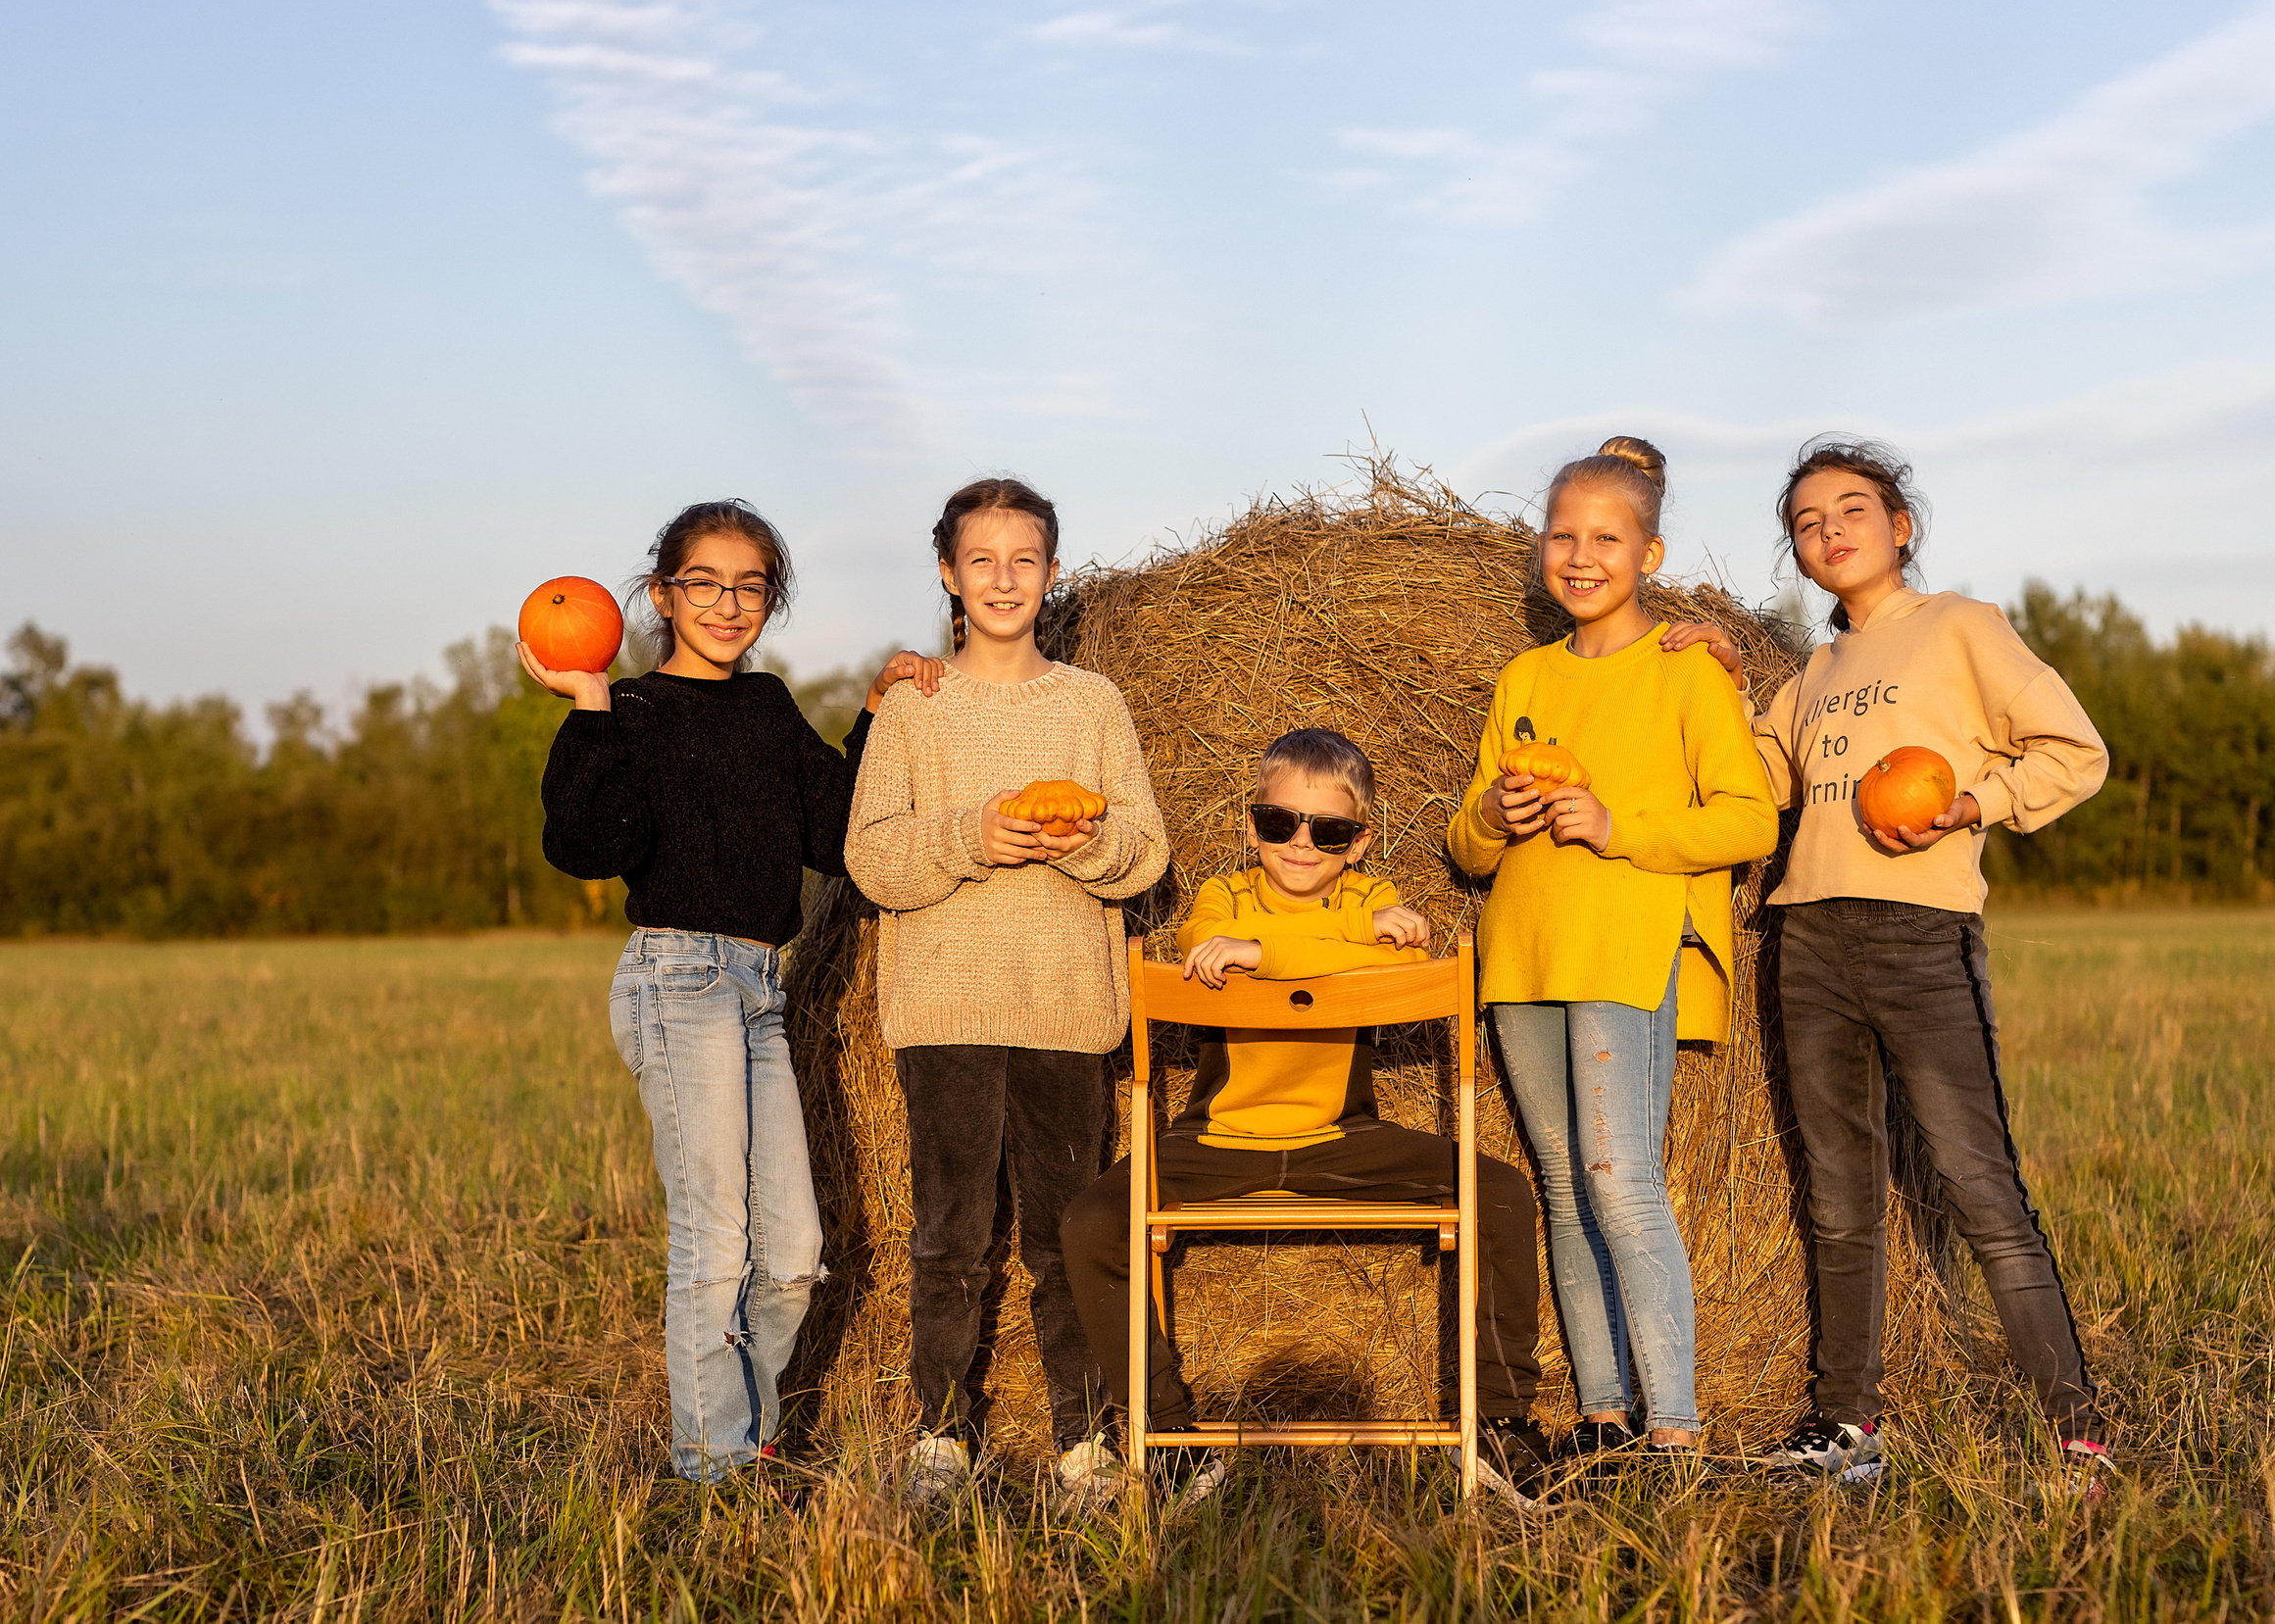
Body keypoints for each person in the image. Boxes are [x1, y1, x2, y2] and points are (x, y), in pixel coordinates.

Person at [1659, 434, 2114, 1496]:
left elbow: (2071, 749)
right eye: (1807, 523)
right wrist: (1721, 680)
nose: (1829, 531)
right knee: (1837, 1195)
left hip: (1919, 932)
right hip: (1806, 938)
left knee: (1978, 1187)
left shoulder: (1960, 627)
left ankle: (2075, 1436)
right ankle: (1846, 1426)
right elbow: (1754, 780)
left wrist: (1974, 803)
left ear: (1898, 526)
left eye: (1850, 510)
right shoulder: (1812, 672)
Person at [529, 497, 938, 1485]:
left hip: (761, 984)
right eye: (704, 583)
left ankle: (740, 1438)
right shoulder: (626, 714)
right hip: (677, 978)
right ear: (662, 595)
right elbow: (585, 848)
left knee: (793, 1251)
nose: (727, 603)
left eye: (750, 585)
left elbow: (834, 837)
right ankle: (717, 1468)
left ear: (770, 600)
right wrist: (587, 699)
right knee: (713, 1242)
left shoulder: (767, 711)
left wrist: (877, 713)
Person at [1060, 728, 1556, 1511]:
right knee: (1092, 1221)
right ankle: (1167, 1434)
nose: (1300, 843)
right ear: (1250, 823)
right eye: (1279, 821)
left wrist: (1266, 953)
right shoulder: (1222, 899)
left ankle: (1499, 1424)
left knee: (1500, 1193)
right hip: (1217, 1138)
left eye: (1327, 830)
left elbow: (1412, 968)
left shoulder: (1369, 897)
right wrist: (1335, 950)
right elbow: (1196, 949)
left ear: (1358, 841)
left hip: (1343, 1137)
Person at [1445, 437, 1780, 1479]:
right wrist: (1494, 815)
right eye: (1561, 536)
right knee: (1560, 1184)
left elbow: (1749, 820)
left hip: (1625, 948)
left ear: (1649, 551)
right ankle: (1600, 1413)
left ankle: (1672, 1421)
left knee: (1618, 1177)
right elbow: (1463, 845)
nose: (1579, 556)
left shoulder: (1681, 674)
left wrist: (1615, 822)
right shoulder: (1524, 677)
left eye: (1604, 538)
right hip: (1521, 959)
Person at [845, 477, 1169, 1512]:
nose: (1002, 579)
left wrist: (1084, 846)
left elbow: (1145, 856)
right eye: (981, 560)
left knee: (1062, 1240)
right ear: (948, 573)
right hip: (944, 1011)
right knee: (948, 1240)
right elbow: (871, 859)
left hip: (1065, 1013)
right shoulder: (910, 708)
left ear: (1053, 575)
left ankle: (1085, 1447)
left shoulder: (1090, 705)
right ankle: (940, 1437)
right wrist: (970, 838)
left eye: (1022, 560)